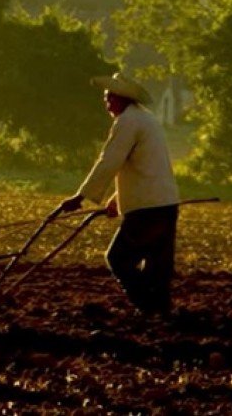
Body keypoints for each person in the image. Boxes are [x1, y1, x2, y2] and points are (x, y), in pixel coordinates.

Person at [59, 72, 180, 315]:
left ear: (120, 98)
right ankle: (162, 312)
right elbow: (142, 166)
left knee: (118, 259)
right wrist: (116, 198)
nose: (106, 102)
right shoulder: (147, 120)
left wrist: (80, 197)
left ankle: (148, 307)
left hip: (147, 209)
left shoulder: (127, 122)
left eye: (108, 97)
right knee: (158, 267)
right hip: (166, 203)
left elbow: (109, 161)